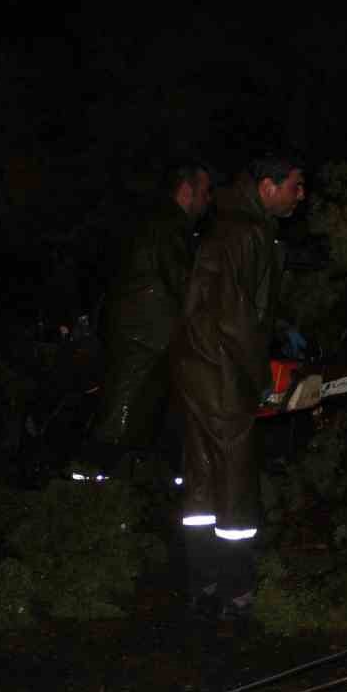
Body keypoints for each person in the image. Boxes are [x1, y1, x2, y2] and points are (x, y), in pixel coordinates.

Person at [169, 152, 307, 624]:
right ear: (268, 187)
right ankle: (237, 591)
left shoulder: (223, 227)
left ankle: (202, 584)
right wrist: (262, 380)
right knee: (235, 482)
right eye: (295, 185)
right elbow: (237, 317)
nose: (300, 196)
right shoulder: (249, 233)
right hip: (223, 373)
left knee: (202, 481)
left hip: (195, 368)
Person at [90, 160, 214, 475]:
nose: (208, 200)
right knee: (124, 407)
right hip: (145, 333)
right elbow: (182, 280)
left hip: (145, 330)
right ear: (186, 190)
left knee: (137, 408)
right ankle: (97, 476)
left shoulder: (160, 221)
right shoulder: (168, 225)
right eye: (204, 191)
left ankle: (119, 475)